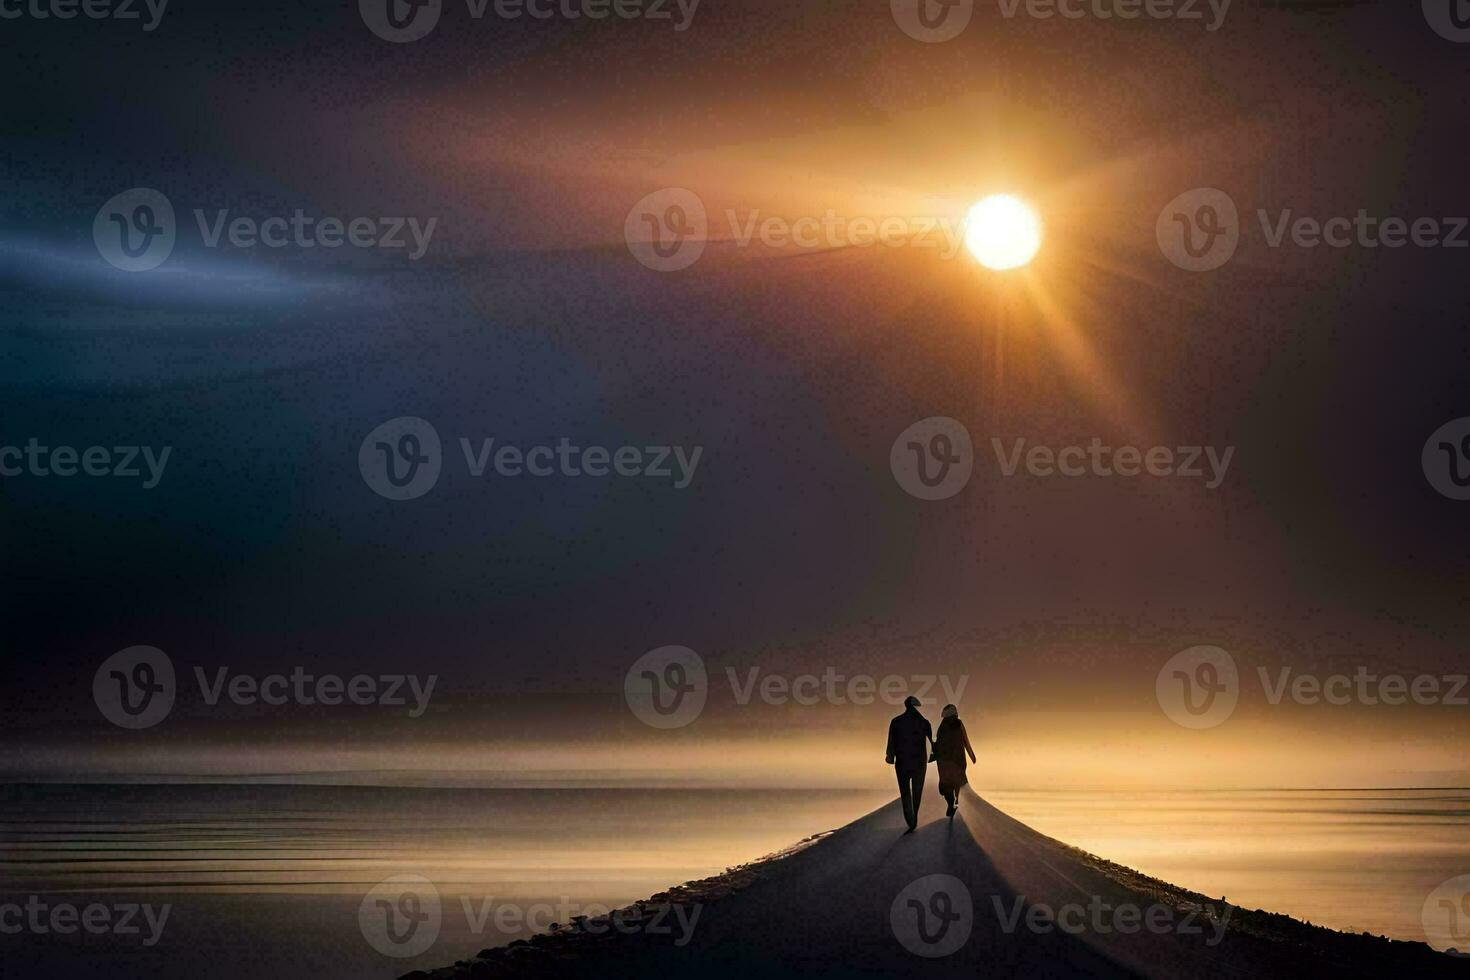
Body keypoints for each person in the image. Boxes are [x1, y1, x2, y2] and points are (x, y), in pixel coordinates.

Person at [885, 695, 934, 833]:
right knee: (917, 791)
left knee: (905, 791)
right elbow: (932, 742)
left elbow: (891, 742)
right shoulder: (924, 722)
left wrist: (890, 756)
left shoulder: (896, 721)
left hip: (902, 762)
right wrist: (933, 756)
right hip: (919, 762)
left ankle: (910, 820)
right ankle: (914, 818)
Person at [932, 703, 976, 818]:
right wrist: (972, 756)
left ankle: (952, 804)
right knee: (957, 783)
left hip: (945, 763)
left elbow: (938, 745)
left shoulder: (943, 727)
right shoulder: (959, 724)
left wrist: (933, 756)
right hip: (957, 761)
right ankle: (956, 801)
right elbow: (966, 741)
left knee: (946, 786)